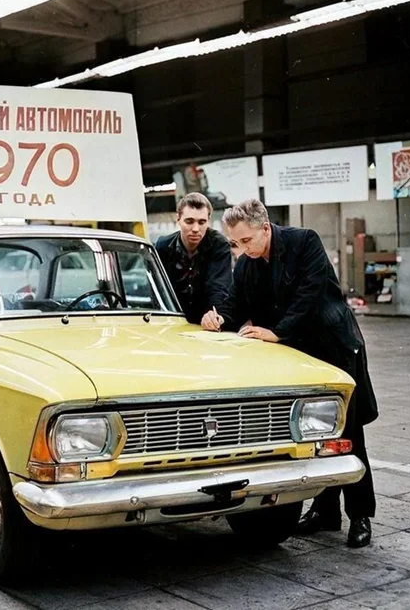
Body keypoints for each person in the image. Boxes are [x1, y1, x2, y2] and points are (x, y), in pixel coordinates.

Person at [201, 199, 378, 549]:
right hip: (298, 354)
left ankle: (360, 515)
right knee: (310, 435)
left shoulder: (304, 241)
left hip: (334, 347)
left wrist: (276, 332)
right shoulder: (247, 263)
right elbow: (236, 302)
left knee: (347, 430)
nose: (243, 249)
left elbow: (309, 296)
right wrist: (217, 317)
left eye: (247, 240)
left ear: (265, 229)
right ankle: (325, 512)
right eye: (236, 243)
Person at [155, 192, 232, 324]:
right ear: (178, 219)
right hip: (173, 319)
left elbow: (218, 287)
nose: (195, 229)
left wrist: (214, 315)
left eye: (202, 222)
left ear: (208, 221)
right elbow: (158, 288)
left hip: (206, 320)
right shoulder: (163, 245)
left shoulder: (219, 244)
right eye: (189, 221)